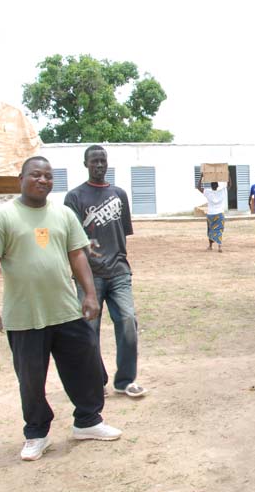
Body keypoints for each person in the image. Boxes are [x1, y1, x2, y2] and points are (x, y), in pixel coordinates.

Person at [0, 156, 122, 463]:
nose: (42, 180)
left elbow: (78, 255)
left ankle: (88, 421)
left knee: (85, 369)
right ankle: (36, 434)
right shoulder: (2, 217)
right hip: (24, 316)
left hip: (66, 311)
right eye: (35, 175)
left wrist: (90, 295)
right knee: (30, 379)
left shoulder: (63, 214)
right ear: (21, 178)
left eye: (48, 176)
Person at [63, 145, 146, 398]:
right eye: (94, 161)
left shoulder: (119, 194)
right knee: (88, 331)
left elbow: (123, 233)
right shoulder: (74, 197)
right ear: (85, 164)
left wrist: (116, 257)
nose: (99, 165)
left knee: (128, 323)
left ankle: (125, 380)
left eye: (102, 161)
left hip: (120, 272)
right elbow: (73, 240)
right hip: (90, 275)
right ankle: (94, 379)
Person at [196, 175, 227, 252]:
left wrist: (201, 177)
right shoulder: (222, 191)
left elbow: (198, 186)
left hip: (211, 214)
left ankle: (210, 246)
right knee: (219, 230)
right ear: (217, 185)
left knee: (210, 230)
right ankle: (220, 246)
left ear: (211, 186)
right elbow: (230, 185)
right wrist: (227, 175)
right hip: (220, 214)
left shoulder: (208, 192)